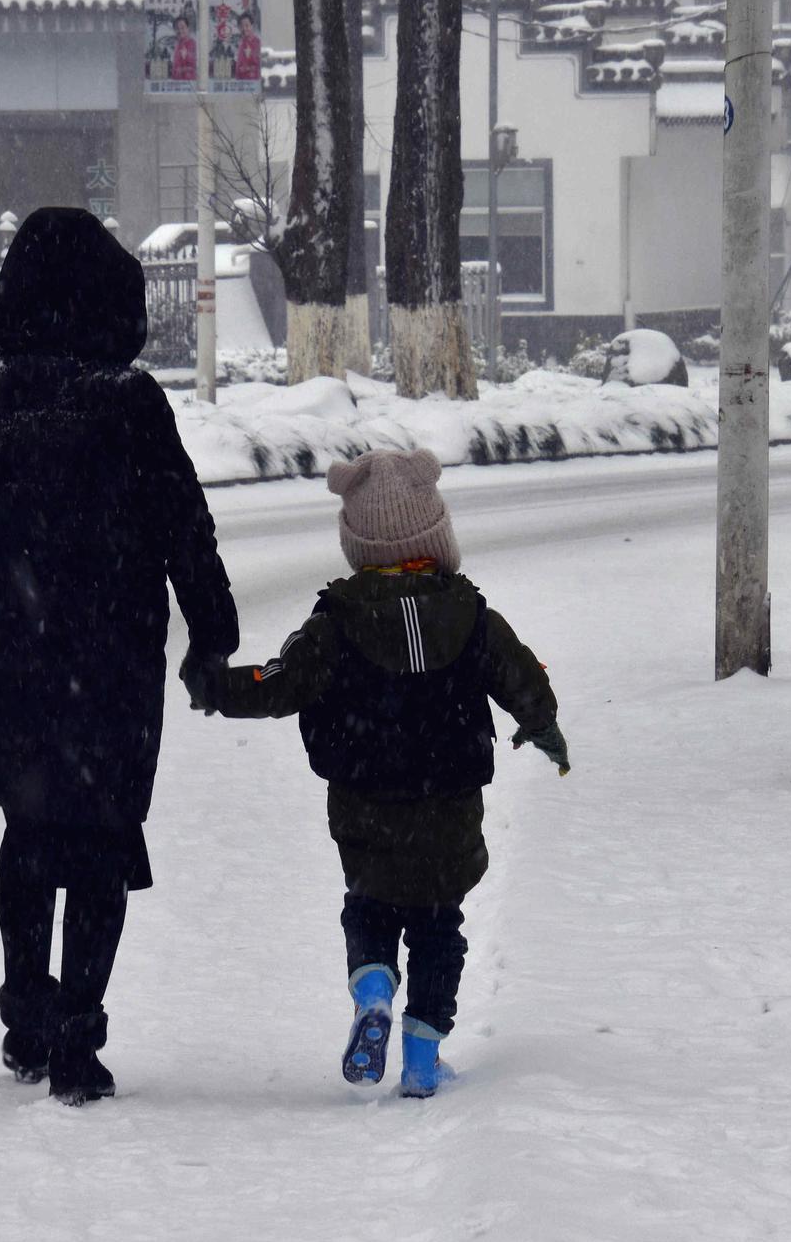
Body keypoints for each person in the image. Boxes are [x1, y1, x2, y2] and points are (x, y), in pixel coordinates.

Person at [0, 208, 238, 1106]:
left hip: (1, 660)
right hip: (111, 665)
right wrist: (212, 631)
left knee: (29, 823)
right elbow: (184, 527)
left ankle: (25, 1009)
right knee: (98, 838)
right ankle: (77, 1035)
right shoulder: (128, 405)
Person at [185, 449, 566, 1098]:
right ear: (436, 537)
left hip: (364, 802)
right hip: (449, 801)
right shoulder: (471, 616)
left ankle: (374, 988)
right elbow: (521, 675)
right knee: (439, 923)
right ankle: (421, 1057)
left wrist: (217, 685)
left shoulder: (335, 623)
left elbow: (282, 684)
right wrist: (543, 725)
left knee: (370, 905)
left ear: (357, 545)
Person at [233, 10, 261, 83]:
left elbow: (258, 66)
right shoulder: (242, 43)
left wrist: (245, 68)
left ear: (252, 26)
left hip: (252, 85)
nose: (244, 29)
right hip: (241, 86)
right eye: (242, 26)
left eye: (247, 25)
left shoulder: (257, 43)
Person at [169, 16, 197, 82]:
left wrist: (180, 70)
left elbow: (193, 66)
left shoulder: (192, 44)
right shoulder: (178, 43)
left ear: (188, 28)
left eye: (182, 28)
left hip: (188, 84)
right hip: (176, 83)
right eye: (177, 28)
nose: (180, 31)